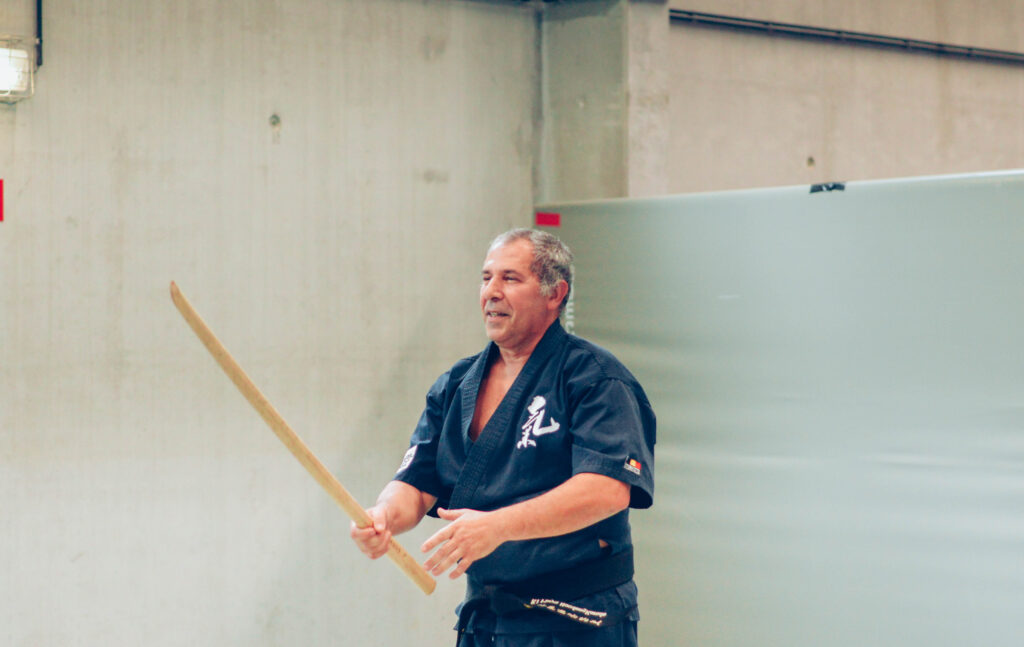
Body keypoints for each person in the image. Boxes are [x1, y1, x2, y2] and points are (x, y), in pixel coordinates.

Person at [350, 228, 656, 646]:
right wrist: (384, 516)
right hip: (488, 620)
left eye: (510, 278)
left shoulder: (595, 378)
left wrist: (498, 526)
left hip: (576, 619)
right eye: (486, 278)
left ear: (555, 294)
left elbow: (606, 490)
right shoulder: (456, 384)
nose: (491, 292)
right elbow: (417, 482)